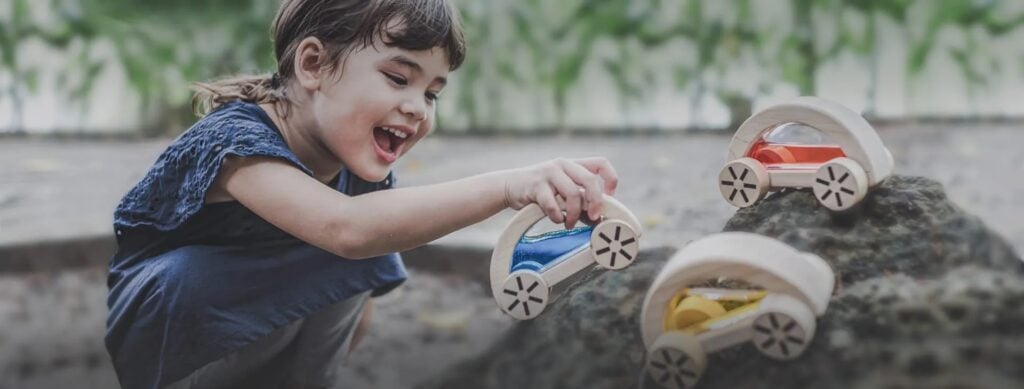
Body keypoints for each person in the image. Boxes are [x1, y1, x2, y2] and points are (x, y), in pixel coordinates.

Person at [105, 0, 619, 388]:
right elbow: (346, 231)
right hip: (168, 343)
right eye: (399, 77)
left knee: (367, 248)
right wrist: (511, 185)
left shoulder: (355, 163)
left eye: (432, 93)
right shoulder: (235, 142)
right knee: (347, 236)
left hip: (260, 336)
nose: (418, 107)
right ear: (313, 65)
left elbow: (360, 274)